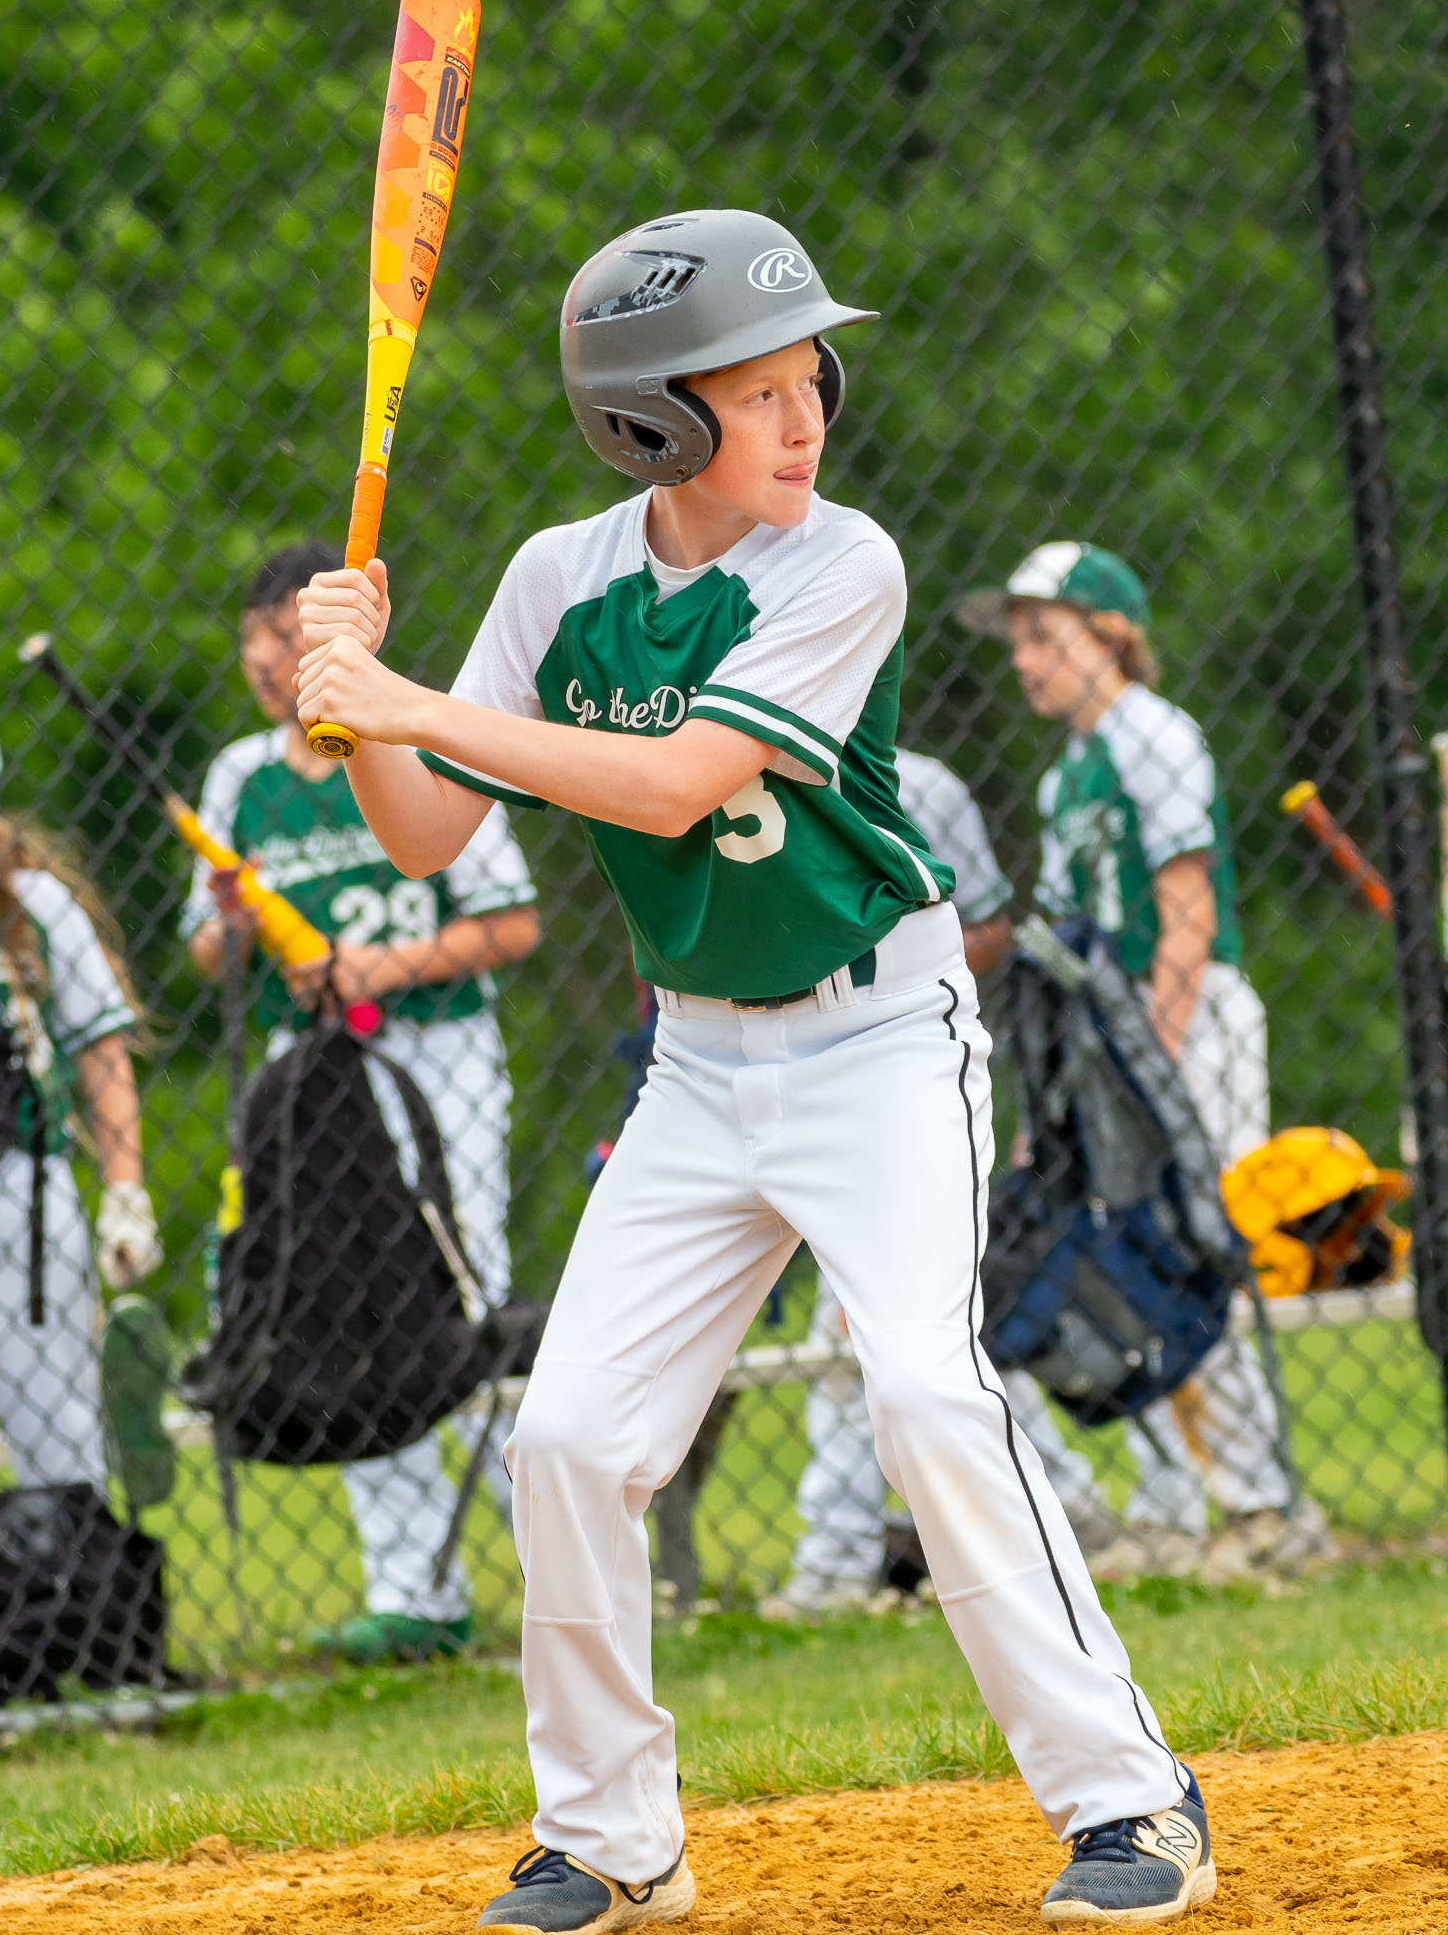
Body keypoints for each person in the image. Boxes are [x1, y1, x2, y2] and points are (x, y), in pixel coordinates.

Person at [292, 210, 1215, 1928]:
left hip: (880, 1039)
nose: (807, 420)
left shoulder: (837, 562)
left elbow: (668, 784)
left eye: (813, 380)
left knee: (929, 1394)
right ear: (647, 422)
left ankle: (1134, 1803)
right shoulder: (558, 582)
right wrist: (344, 716)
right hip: (699, 1068)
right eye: (760, 390)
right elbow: (421, 837)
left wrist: (409, 701)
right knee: (567, 1437)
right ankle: (612, 1842)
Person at [182, 547, 541, 1663]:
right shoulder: (243, 775)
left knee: (459, 1282)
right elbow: (203, 952)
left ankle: (562, 1553)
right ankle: (416, 1587)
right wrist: (235, 924)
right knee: (354, 1302)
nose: (269, 664)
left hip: (434, 1054)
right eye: (257, 647)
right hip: (317, 1079)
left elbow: (513, 922)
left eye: (288, 641)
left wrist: (377, 963)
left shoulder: (406, 728)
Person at [960, 541, 1321, 1580]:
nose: (1024, 660)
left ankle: (1263, 1501)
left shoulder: (1153, 737)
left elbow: (1186, 912)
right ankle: (1178, 1500)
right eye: (1019, 640)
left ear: (1110, 637)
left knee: (1197, 1242)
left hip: (1186, 1020)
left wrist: (1152, 1063)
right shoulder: (1065, 771)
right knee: (1118, 1252)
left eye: (1045, 636)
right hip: (1109, 1043)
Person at [763, 748, 1118, 1620]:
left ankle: (838, 1552)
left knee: (881, 1321)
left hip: (900, 1061)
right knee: (914, 1326)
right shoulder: (717, 758)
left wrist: (885, 953)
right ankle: (1062, 1497)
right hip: (778, 1070)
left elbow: (991, 924)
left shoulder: (922, 782)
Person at [0, 699, 161, 1497]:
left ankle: (75, 1613)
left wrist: (124, 1191)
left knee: (58, 1433)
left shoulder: (33, 905)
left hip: (14, 1186)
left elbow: (102, 1054)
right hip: (15, 1193)